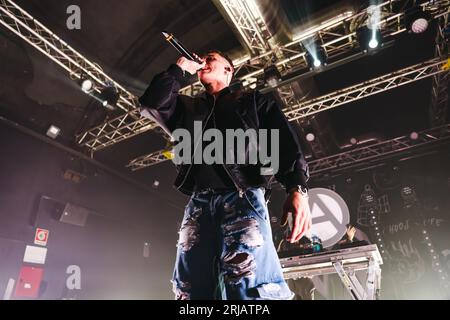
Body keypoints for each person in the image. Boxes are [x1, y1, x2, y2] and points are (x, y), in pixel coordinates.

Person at [139, 50, 311, 300]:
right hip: (199, 204)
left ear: (228, 70)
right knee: (188, 290)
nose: (204, 62)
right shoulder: (187, 108)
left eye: (211, 59)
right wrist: (179, 69)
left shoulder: (253, 102)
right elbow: (151, 103)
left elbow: (285, 143)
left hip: (242, 198)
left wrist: (298, 189)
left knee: (246, 283)